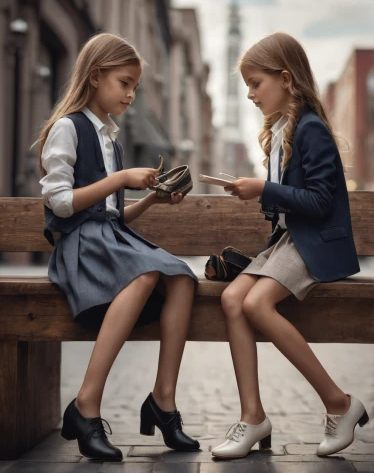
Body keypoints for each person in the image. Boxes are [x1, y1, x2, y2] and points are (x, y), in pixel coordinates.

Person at [37, 33, 200, 461]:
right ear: (95, 77)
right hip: (79, 248)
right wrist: (120, 178)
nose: (130, 94)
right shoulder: (67, 129)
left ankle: (163, 402)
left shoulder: (111, 138)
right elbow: (61, 203)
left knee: (182, 277)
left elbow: (111, 215)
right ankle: (86, 404)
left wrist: (148, 199)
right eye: (124, 83)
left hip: (108, 241)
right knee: (145, 271)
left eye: (135, 87)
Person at [211, 32, 369, 459]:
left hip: (313, 242)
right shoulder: (283, 129)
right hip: (288, 241)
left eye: (256, 83)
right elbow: (287, 209)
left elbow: (319, 202)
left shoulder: (310, 128)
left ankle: (339, 403)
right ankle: (253, 416)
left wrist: (263, 188)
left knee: (256, 304)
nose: (249, 94)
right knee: (231, 300)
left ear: (286, 78)